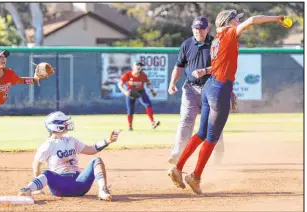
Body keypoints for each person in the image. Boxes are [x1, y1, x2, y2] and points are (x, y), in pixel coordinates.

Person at [168, 10, 288, 194]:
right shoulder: (230, 34)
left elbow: (216, 66)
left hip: (210, 86)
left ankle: (178, 168)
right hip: (219, 89)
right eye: (235, 19)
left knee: (201, 132)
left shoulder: (216, 40)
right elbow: (252, 20)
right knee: (212, 137)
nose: (237, 21)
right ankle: (195, 177)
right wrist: (276, 19)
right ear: (227, 22)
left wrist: (208, 75)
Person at [167, 16, 230, 165]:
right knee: (185, 120)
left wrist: (205, 71)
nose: (198, 31)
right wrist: (172, 83)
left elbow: (222, 67)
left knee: (214, 124)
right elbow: (179, 65)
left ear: (207, 29)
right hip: (191, 88)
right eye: (196, 28)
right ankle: (178, 153)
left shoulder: (216, 43)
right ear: (192, 28)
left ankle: (218, 153)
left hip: (211, 89)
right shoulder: (187, 44)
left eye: (202, 29)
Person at [18, 111, 121, 201]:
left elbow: (91, 150)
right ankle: (27, 189)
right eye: (64, 122)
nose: (67, 124)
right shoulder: (47, 145)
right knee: (47, 173)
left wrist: (108, 141)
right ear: (56, 126)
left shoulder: (71, 140)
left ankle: (103, 190)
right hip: (60, 186)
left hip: (79, 184)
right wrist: (39, 188)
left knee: (96, 160)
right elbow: (36, 165)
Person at [117, 62, 160, 131]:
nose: (139, 67)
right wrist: (125, 91)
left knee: (148, 104)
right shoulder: (128, 74)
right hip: (130, 92)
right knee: (130, 110)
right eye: (137, 65)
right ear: (133, 67)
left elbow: (148, 83)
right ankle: (130, 126)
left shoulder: (143, 75)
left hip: (141, 91)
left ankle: (153, 122)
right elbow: (120, 84)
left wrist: (152, 91)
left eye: (140, 66)